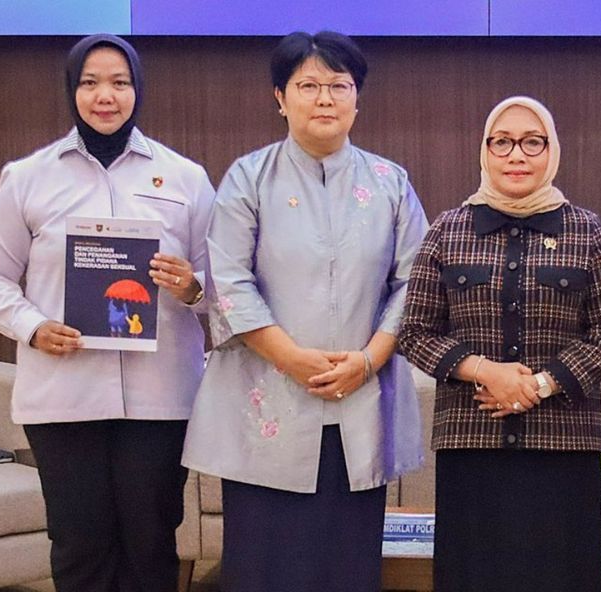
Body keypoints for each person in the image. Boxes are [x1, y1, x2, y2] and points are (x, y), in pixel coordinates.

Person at [0, 34, 214, 592]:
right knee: (80, 544)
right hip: (64, 395)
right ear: (72, 91)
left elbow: (224, 286)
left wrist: (192, 288)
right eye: (91, 82)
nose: (106, 96)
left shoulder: (185, 178)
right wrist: (32, 327)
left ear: (137, 90)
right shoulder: (29, 177)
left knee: (151, 543)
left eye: (120, 83)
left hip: (160, 398)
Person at [179, 30, 427, 592]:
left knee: (347, 566)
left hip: (360, 401)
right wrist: (291, 358)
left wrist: (368, 360)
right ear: (280, 97)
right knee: (266, 568)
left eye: (339, 86)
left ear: (357, 98)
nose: (324, 99)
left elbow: (416, 283)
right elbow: (229, 281)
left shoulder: (390, 183)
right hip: (268, 404)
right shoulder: (249, 178)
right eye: (308, 86)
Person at [398, 96, 601, 592]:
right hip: (471, 443)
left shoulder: (587, 230)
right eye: (502, 142)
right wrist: (484, 371)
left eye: (532, 142)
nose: (516, 155)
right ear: (485, 151)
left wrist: (540, 385)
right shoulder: (447, 230)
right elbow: (414, 331)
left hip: (563, 445)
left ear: (552, 150)